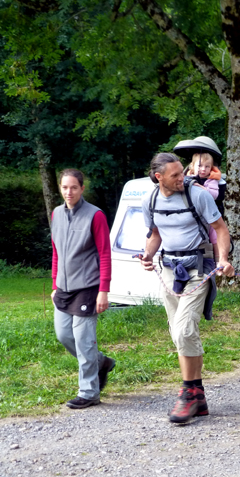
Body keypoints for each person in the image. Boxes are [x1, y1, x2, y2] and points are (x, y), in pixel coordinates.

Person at [140, 152, 234, 424]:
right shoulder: (150, 200)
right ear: (159, 177)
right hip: (169, 269)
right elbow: (155, 234)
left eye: (183, 171)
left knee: (184, 330)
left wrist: (223, 259)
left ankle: (188, 394)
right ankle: (198, 395)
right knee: (178, 333)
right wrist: (147, 255)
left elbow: (221, 229)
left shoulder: (198, 195)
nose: (183, 177)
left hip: (198, 267)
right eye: (176, 175)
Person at [51, 169, 116, 409]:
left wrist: (103, 291)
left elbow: (105, 254)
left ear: (82, 189)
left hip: (88, 286)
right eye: (65, 187)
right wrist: (54, 284)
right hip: (63, 288)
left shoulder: (95, 215)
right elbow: (56, 251)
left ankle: (88, 392)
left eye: (74, 187)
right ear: (60, 188)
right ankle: (101, 362)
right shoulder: (56, 214)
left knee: (84, 340)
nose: (69, 192)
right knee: (64, 335)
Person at [190, 151, 222, 260]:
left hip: (209, 213)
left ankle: (218, 258)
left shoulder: (212, 180)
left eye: (207, 166)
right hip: (193, 213)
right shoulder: (187, 178)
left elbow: (214, 194)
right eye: (200, 166)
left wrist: (200, 187)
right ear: (192, 166)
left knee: (215, 235)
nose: (203, 169)